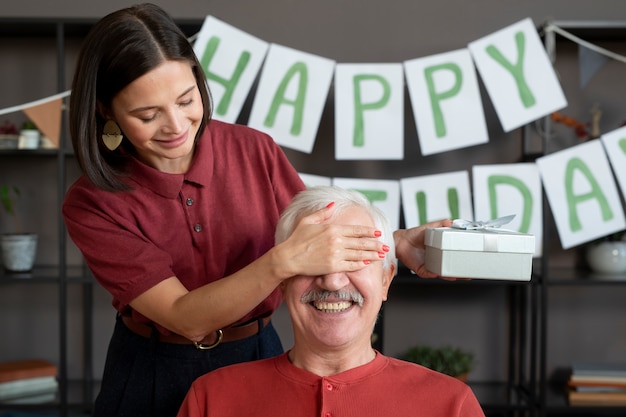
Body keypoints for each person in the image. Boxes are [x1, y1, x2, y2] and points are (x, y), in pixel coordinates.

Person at [62, 4, 452, 417]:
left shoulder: (253, 150)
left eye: (186, 99)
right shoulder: (93, 202)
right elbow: (184, 316)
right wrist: (281, 262)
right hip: (152, 371)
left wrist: (395, 242)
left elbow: (315, 238)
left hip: (256, 354)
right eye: (147, 114)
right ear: (107, 110)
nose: (176, 125)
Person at [177, 186, 484, 417]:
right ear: (281, 282)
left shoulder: (451, 406)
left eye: (354, 258)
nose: (333, 281)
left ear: (385, 280)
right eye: (312, 260)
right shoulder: (211, 399)